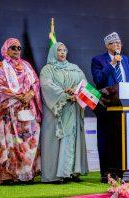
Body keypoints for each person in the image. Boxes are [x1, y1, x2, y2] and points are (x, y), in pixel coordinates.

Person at [0, 38, 42, 185]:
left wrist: (30, 95)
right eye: (13, 47)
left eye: (19, 48)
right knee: (11, 143)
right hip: (9, 111)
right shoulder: (1, 66)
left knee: (27, 143)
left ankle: (26, 174)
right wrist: (19, 96)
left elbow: (36, 82)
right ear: (5, 49)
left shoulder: (26, 65)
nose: (16, 50)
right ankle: (9, 175)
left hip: (27, 110)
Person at [40, 42, 88, 183]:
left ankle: (72, 172)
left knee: (72, 138)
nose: (62, 53)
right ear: (53, 52)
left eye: (64, 50)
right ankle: (55, 175)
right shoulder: (47, 69)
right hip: (57, 110)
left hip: (73, 108)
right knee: (56, 140)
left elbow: (83, 83)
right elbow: (46, 86)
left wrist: (75, 90)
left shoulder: (75, 68)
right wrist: (65, 94)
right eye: (59, 50)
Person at [91, 32, 129, 182]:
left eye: (119, 43)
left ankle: (122, 171)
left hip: (125, 106)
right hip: (107, 106)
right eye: (114, 43)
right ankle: (107, 173)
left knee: (122, 139)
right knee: (106, 139)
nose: (118, 45)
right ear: (107, 46)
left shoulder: (126, 59)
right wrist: (113, 64)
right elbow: (99, 79)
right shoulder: (98, 60)